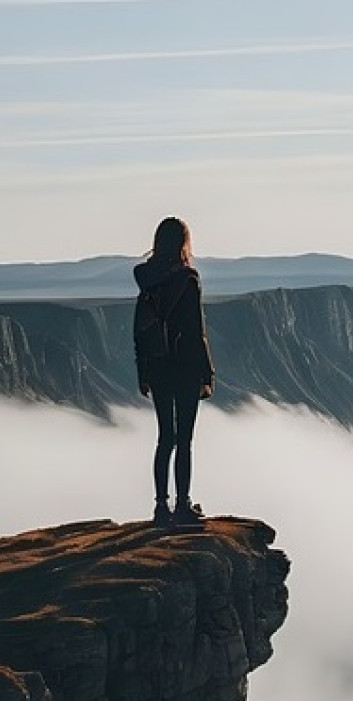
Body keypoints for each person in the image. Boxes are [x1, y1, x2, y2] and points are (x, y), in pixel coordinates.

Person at [133, 216, 215, 527]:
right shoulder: (188, 279)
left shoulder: (146, 281)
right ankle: (182, 505)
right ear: (183, 243)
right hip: (184, 368)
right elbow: (196, 331)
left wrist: (143, 372)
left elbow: (139, 330)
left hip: (157, 367)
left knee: (164, 438)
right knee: (184, 440)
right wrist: (207, 374)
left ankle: (160, 508)